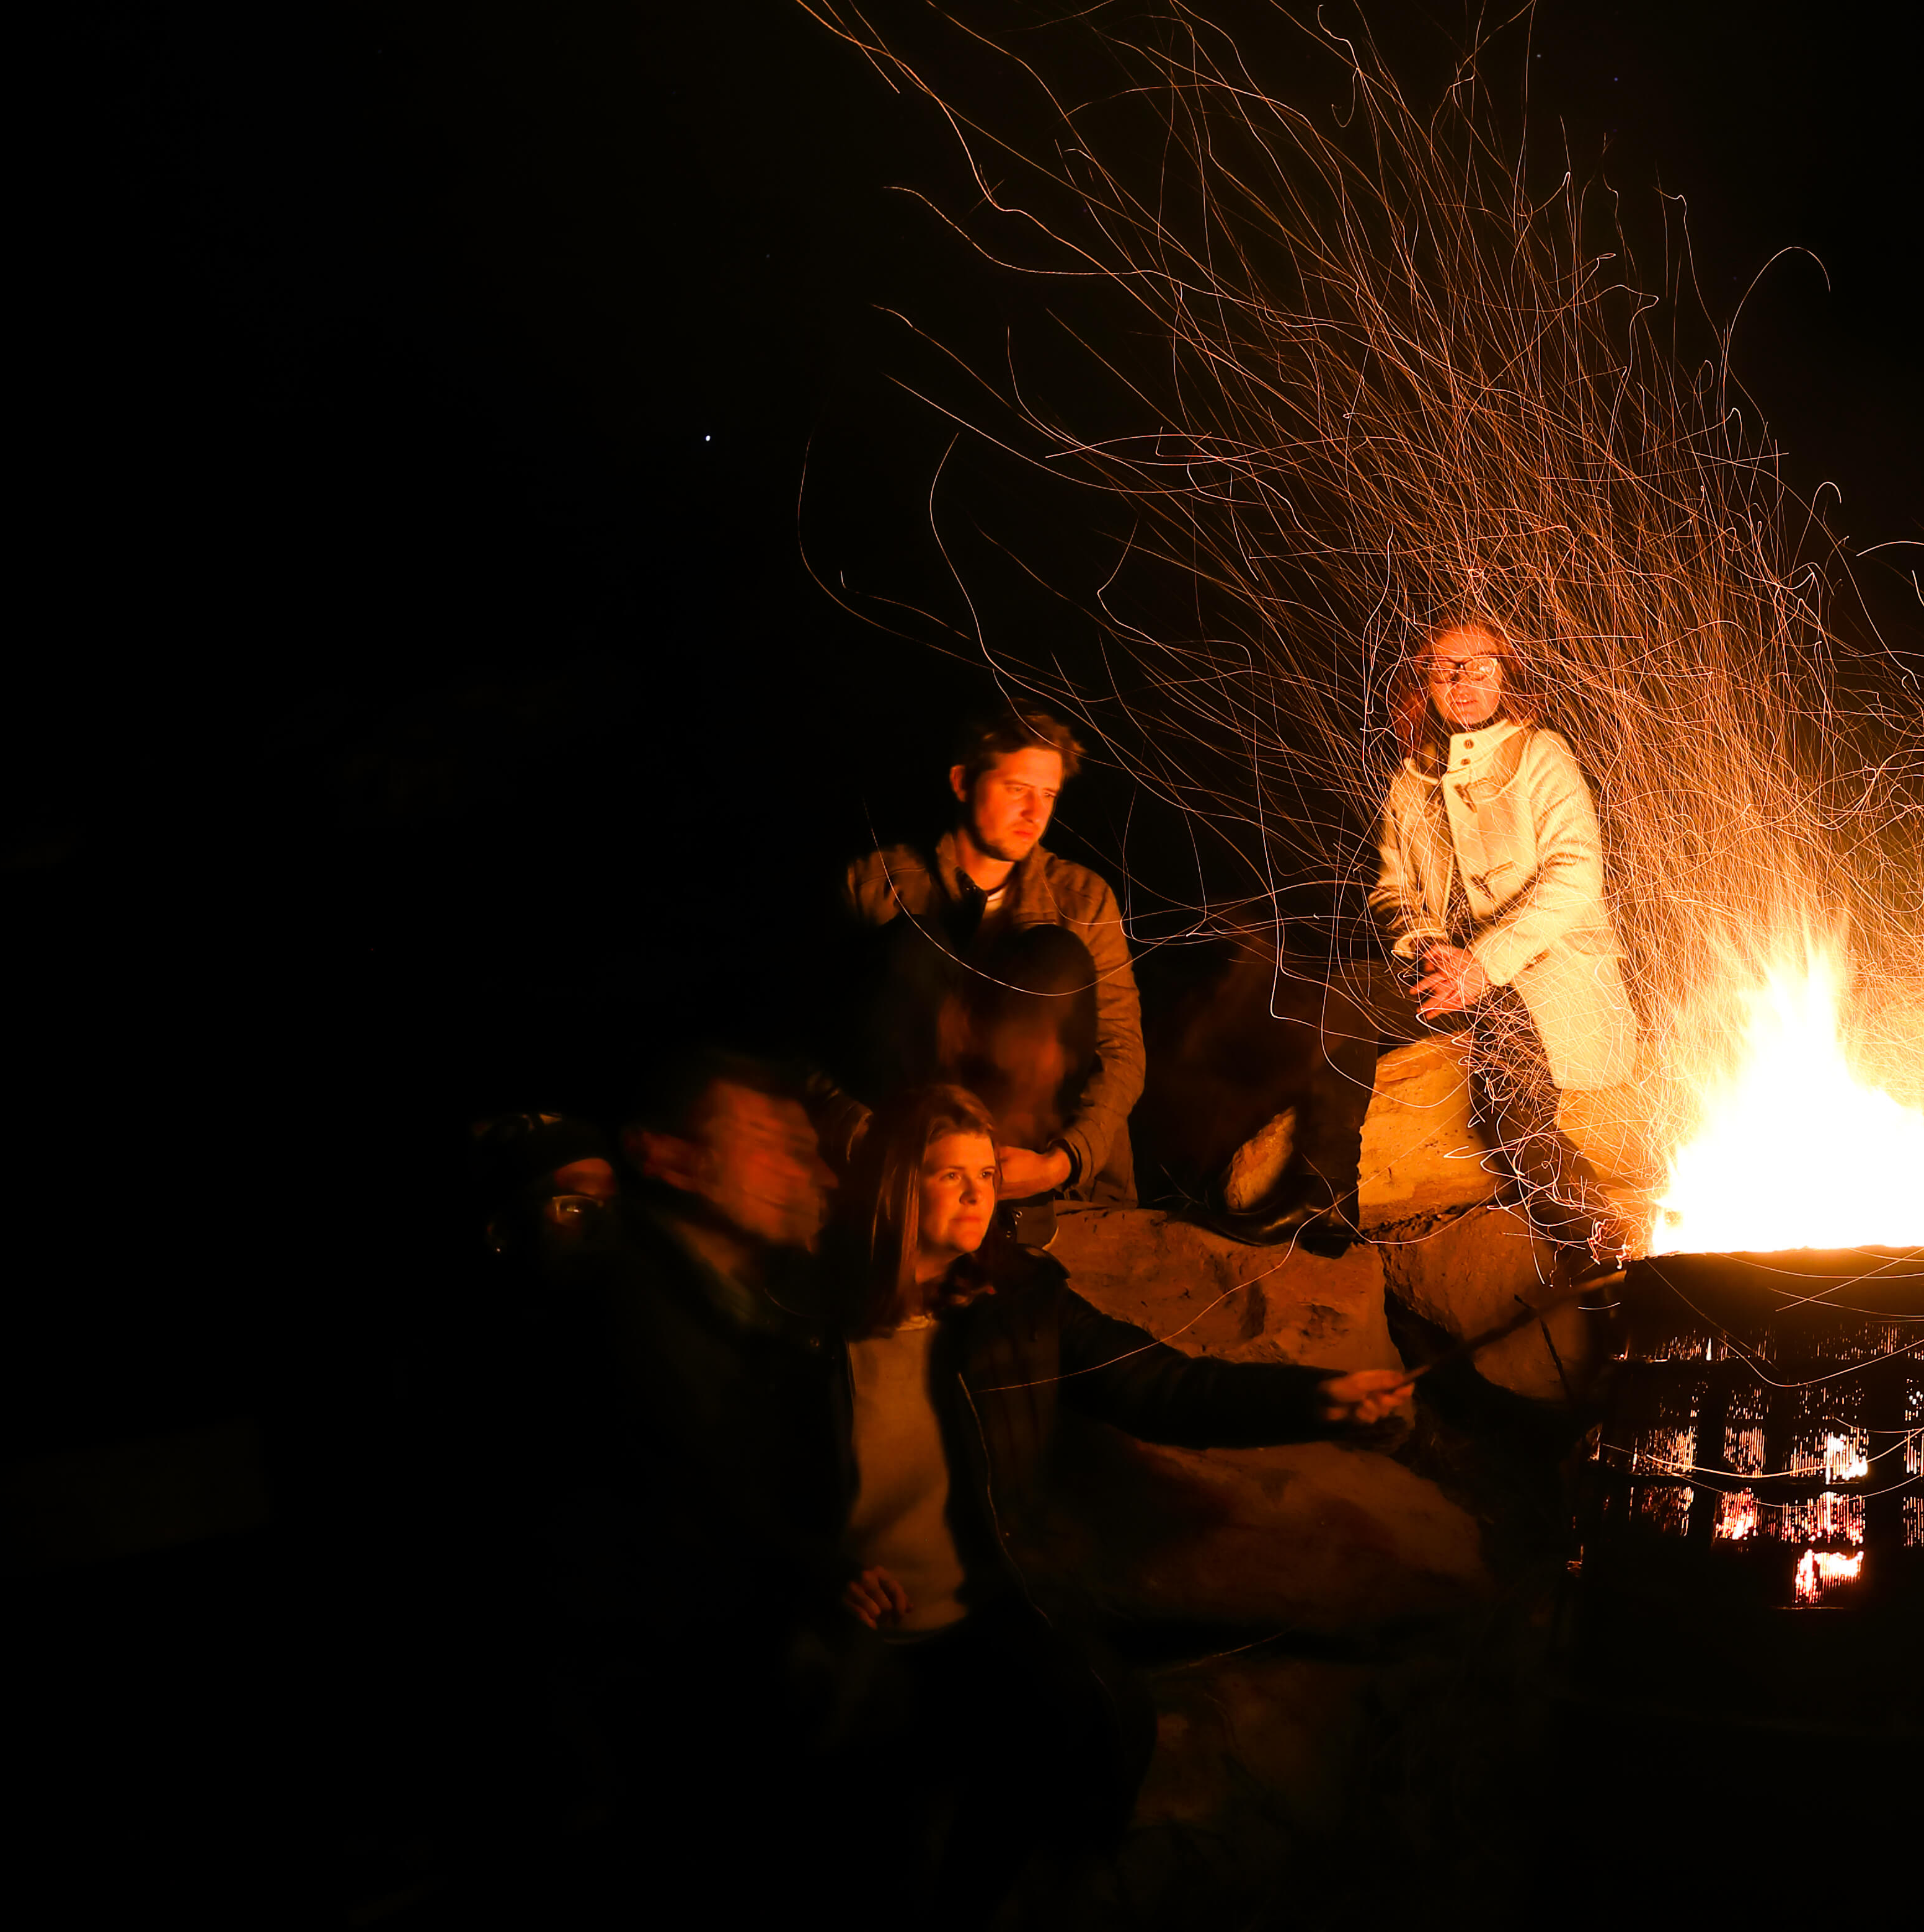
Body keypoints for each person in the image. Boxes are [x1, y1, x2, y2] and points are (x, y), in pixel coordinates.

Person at [822, 1081, 1412, 1897]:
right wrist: (818, 1572)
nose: (974, 1193)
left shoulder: (1018, 1305)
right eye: (947, 1173)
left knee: (1074, 1724)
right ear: (895, 1182)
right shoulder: (814, 1325)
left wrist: (1318, 1398)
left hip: (979, 1620)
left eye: (986, 1174)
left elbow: (1165, 1387)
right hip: (848, 1631)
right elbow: (755, 1478)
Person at [549, 1047, 857, 1884]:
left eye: (812, 1147)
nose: (821, 1172)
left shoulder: (760, 1314)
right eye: (776, 1142)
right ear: (675, 1158)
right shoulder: (617, 1325)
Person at [1369, 613, 1641, 1267]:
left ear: (1506, 675)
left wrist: (1482, 963)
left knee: (1512, 1122)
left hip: (1536, 974)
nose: (1461, 681)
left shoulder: (1540, 754)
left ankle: (1602, 1244)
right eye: (1444, 668)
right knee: (1332, 1003)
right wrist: (1426, 944)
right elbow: (1392, 888)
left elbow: (1575, 872)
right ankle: (1312, 1197)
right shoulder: (1411, 779)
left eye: (1479, 665)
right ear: (1424, 681)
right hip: (1445, 971)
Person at [835, 709, 1145, 1206]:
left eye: (1048, 796)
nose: (1035, 814)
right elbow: (812, 1041)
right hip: (912, 1149)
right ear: (962, 782)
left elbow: (1123, 1050)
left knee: (1054, 959)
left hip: (1033, 1155)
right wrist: (870, 1143)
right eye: (1017, 789)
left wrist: (1061, 1163)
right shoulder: (875, 884)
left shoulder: (1083, 899)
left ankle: (1016, 1208)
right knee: (911, 947)